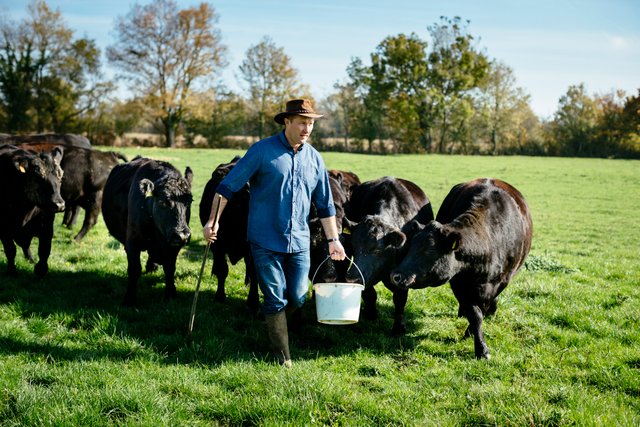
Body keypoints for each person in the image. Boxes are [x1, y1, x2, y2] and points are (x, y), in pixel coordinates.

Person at [203, 99, 346, 367]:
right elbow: (227, 187)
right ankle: (283, 355)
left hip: (300, 241)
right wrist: (213, 221)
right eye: (302, 122)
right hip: (264, 240)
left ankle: (271, 321)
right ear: (287, 122)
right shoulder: (261, 151)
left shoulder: (315, 158)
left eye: (311, 123)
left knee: (297, 296)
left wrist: (334, 240)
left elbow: (325, 204)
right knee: (275, 296)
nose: (307, 128)